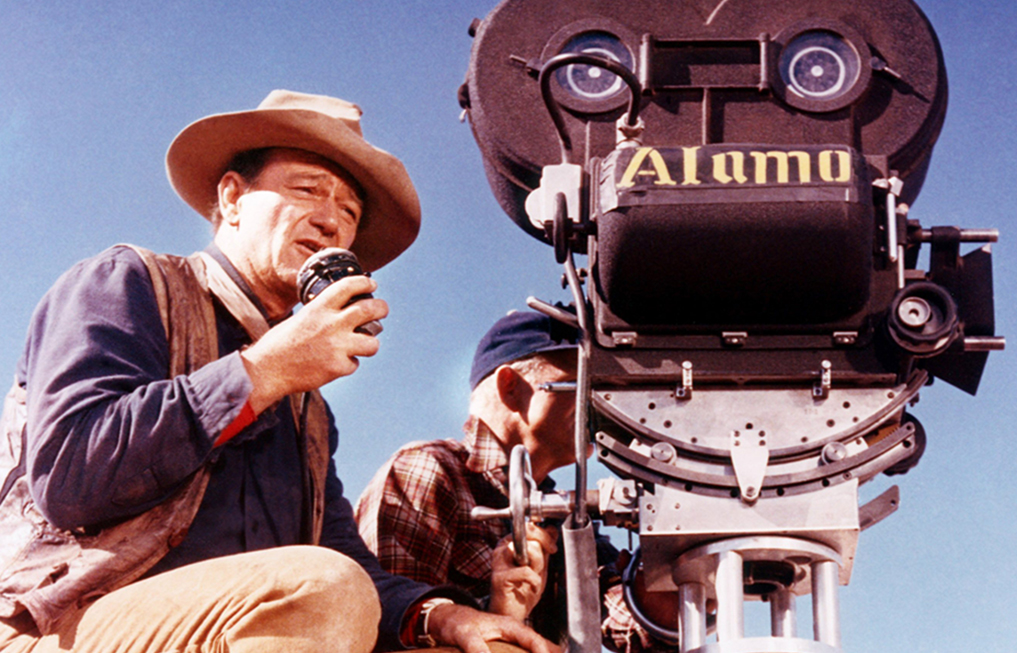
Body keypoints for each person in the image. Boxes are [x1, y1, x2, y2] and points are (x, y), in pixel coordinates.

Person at [0, 90, 553, 653]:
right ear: (233, 197)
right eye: (307, 189)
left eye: (350, 212)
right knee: (324, 589)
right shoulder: (128, 283)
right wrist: (263, 371)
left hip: (250, 627)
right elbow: (69, 477)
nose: (330, 220)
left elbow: (342, 554)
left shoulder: (307, 409)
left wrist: (443, 617)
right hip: (54, 629)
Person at [355, 311, 673, 653]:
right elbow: (385, 628)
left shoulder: (568, 517)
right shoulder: (428, 471)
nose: (604, 406)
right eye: (585, 387)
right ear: (511, 388)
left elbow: (640, 632)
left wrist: (675, 568)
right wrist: (496, 614)